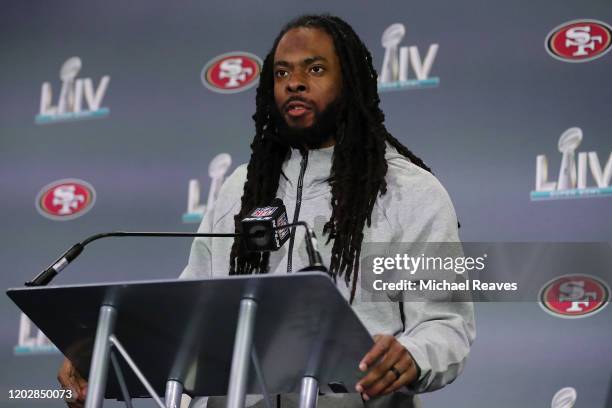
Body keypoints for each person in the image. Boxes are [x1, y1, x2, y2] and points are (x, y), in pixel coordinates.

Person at [59, 14, 475, 408]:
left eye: (314, 69)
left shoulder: (410, 192)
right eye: (282, 72)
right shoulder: (239, 190)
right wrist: (105, 355)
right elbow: (188, 318)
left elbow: (446, 323)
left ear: (350, 82)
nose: (294, 83)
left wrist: (413, 354)